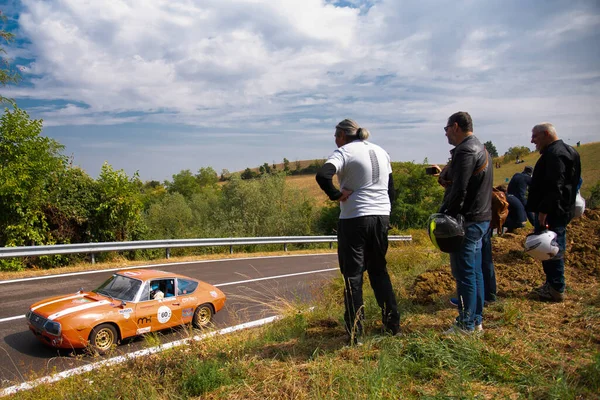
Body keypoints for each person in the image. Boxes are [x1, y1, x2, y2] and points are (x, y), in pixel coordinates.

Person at [316, 118, 400, 344]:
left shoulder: (343, 152)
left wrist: (335, 195)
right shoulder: (382, 152)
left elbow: (323, 175)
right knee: (379, 271)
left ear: (343, 136)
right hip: (381, 217)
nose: (335, 141)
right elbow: (391, 189)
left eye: (336, 137)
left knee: (352, 276)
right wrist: (386, 214)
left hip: (355, 218)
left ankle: (355, 333)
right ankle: (392, 325)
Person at [438, 111, 492, 333]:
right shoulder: (480, 147)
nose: (446, 134)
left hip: (468, 220)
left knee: (464, 274)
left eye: (446, 129)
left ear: (456, 126)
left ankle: (466, 324)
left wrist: (447, 216)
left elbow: (460, 189)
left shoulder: (466, 150)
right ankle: (476, 320)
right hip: (481, 218)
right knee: (475, 272)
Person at [527, 123, 581, 302]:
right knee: (552, 247)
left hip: (552, 211)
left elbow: (554, 185)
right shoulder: (568, 151)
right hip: (561, 208)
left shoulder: (554, 155)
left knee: (550, 248)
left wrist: (543, 211)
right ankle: (553, 283)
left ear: (546, 134)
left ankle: (556, 288)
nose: (532, 140)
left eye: (535, 136)